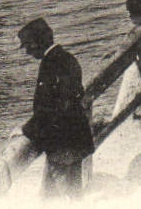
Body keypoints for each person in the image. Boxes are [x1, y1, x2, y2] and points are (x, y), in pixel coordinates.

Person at [18, 17, 94, 198]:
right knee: (67, 193)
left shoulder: (49, 66)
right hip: (78, 139)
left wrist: (26, 130)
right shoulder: (68, 58)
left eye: (27, 45)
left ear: (37, 43)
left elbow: (49, 109)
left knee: (64, 198)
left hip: (62, 145)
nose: (27, 51)